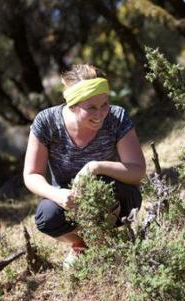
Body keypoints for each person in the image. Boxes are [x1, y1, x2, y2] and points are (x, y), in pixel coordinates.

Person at [23, 64, 146, 268]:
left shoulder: (117, 117)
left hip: (117, 198)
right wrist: (58, 195)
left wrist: (95, 167)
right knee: (46, 216)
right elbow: (31, 174)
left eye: (105, 104)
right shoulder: (46, 122)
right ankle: (81, 245)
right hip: (70, 201)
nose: (100, 114)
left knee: (107, 183)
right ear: (72, 106)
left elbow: (137, 171)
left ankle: (107, 238)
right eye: (91, 108)